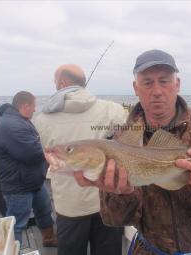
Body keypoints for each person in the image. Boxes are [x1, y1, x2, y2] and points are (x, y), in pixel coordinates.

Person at [72, 49, 191, 255]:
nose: (156, 91)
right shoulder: (121, 140)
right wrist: (121, 194)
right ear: (135, 88)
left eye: (164, 81)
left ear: (177, 84)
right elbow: (115, 219)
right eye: (147, 82)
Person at [33, 64, 127, 255]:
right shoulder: (113, 109)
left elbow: (49, 155)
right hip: (107, 201)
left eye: (55, 82)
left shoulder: (42, 119)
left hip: (70, 208)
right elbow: (130, 141)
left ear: (63, 83)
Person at [0, 91, 57, 247]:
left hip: (34, 180)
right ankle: (14, 250)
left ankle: (48, 239)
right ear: (25, 105)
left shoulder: (20, 120)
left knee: (44, 211)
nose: (35, 109)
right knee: (18, 222)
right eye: (34, 106)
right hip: (18, 185)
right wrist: (51, 151)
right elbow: (32, 154)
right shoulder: (12, 125)